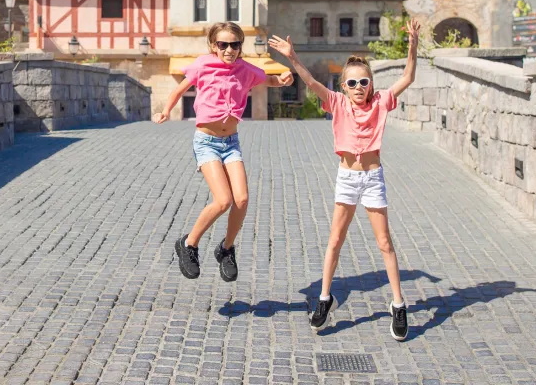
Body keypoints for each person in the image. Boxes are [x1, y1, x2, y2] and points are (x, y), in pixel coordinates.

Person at [269, 20, 421, 341]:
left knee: (384, 243)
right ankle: (325, 299)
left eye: (364, 82)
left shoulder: (380, 102)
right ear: (343, 87)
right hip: (347, 178)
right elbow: (310, 82)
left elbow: (407, 77)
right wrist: (294, 58)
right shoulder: (337, 103)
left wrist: (413, 44)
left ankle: (398, 304)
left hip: (373, 177)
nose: (358, 88)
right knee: (335, 240)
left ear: (371, 84)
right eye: (352, 83)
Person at [154, 22, 293, 282]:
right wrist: (164, 111)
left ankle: (226, 249)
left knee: (241, 200)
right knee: (223, 201)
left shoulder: (246, 69)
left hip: (231, 142)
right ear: (213, 46)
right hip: (206, 142)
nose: (229, 49)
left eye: (235, 44)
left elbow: (267, 80)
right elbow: (179, 89)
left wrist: (284, 81)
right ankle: (189, 244)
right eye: (223, 44)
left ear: (241, 46)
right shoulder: (203, 65)